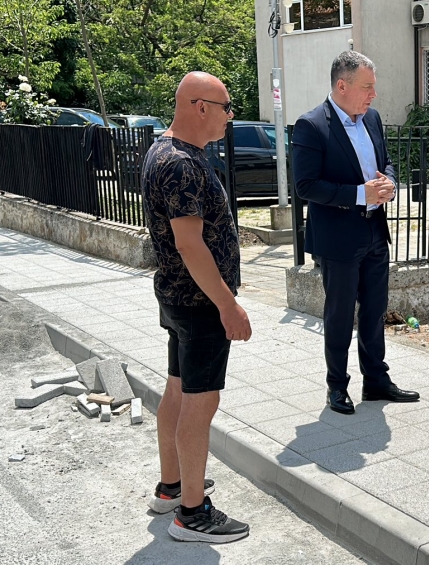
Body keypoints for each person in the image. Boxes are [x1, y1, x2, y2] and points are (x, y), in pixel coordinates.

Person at [141, 71, 252, 543]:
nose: (231, 116)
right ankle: (191, 513)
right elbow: (190, 243)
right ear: (200, 106)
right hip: (200, 303)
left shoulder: (164, 150)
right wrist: (228, 306)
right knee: (200, 402)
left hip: (177, 296)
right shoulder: (181, 163)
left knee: (178, 389)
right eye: (226, 107)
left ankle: (171, 486)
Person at [292, 51, 420, 415]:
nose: (373, 95)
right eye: (367, 87)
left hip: (375, 230)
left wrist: (390, 182)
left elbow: (386, 163)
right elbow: (306, 185)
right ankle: (337, 386)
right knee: (339, 314)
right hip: (338, 237)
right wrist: (360, 194)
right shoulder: (311, 125)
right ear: (342, 85)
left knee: (375, 310)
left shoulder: (372, 119)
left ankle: (376, 381)